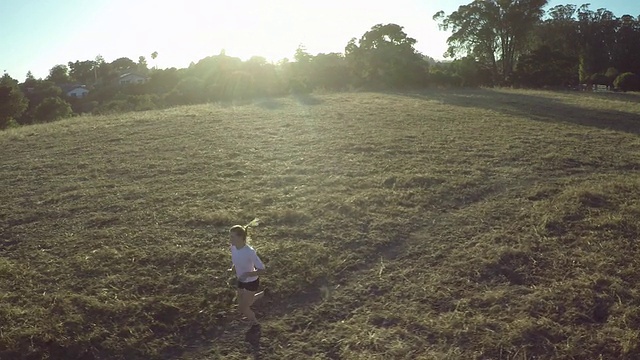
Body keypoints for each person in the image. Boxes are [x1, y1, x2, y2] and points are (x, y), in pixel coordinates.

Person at [228, 224, 266, 327]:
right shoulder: (233, 247)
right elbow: (237, 260)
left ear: (240, 237)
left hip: (251, 282)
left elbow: (262, 270)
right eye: (229, 236)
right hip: (241, 279)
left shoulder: (249, 252)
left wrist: (248, 274)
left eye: (232, 236)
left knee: (243, 308)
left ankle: (255, 323)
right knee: (240, 298)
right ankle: (260, 295)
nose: (229, 239)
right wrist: (232, 269)